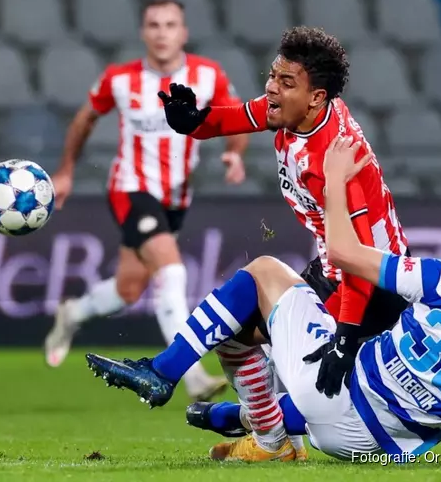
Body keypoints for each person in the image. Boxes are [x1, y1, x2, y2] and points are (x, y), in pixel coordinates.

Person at [84, 136, 441, 463]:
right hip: (379, 450)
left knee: (262, 275)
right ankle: (238, 419)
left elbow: (345, 253)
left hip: (335, 402)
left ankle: (163, 373)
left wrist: (334, 179)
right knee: (336, 371)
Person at [154, 26, 411, 456]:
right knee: (237, 332)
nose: (271, 88)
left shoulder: (336, 155)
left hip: (371, 287)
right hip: (334, 269)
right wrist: (194, 122)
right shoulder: (293, 113)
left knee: (313, 382)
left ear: (317, 97)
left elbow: (363, 258)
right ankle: (267, 433)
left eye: (285, 82)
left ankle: (252, 426)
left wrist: (346, 338)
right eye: (273, 75)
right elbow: (238, 116)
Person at [44, 0, 249, 402]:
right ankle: (190, 376)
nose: (162, 33)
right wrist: (65, 171)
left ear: (183, 33)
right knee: (171, 271)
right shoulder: (119, 79)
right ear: (144, 32)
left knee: (128, 289)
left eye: (170, 25)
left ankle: (73, 312)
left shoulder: (207, 75)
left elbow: (236, 113)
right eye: (154, 25)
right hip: (131, 189)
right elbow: (84, 119)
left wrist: (234, 153)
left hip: (175, 197)